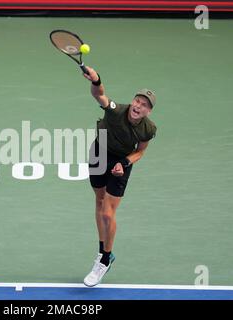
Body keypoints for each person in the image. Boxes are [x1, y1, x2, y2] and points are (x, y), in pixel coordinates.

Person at [82, 66, 157, 287]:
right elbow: (100, 95)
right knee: (98, 200)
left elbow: (140, 151)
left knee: (108, 213)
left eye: (144, 105)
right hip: (99, 151)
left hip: (121, 161)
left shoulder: (148, 129)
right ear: (132, 102)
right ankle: (101, 249)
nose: (138, 106)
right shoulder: (116, 111)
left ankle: (105, 259)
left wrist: (123, 164)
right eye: (137, 101)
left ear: (148, 112)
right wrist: (96, 80)